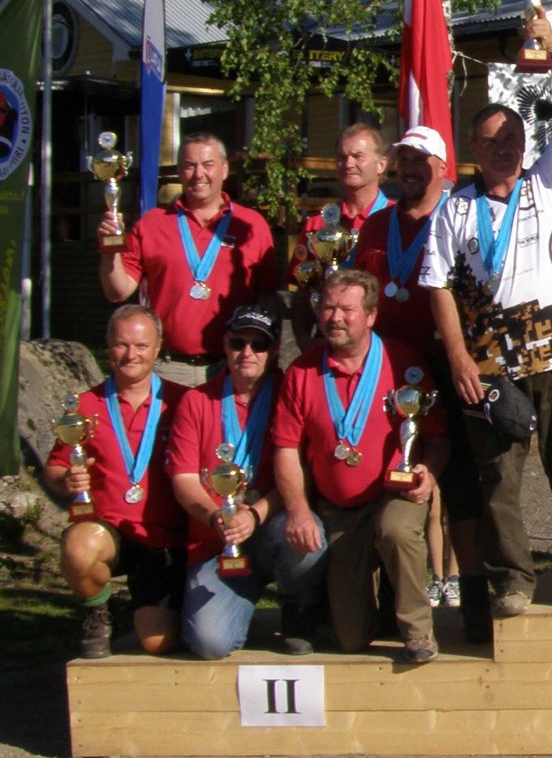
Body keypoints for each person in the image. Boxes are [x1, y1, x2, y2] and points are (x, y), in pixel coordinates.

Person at [424, 8, 552, 618]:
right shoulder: (454, 209)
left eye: (510, 140)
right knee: (500, 478)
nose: (502, 150)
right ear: (471, 149)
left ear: (525, 145)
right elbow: (439, 285)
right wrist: (457, 356)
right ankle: (513, 581)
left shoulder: (549, 181)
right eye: (488, 142)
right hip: (490, 361)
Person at [351, 125, 493, 640]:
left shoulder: (459, 217)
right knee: (388, 483)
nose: (409, 170)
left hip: (451, 370)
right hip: (387, 379)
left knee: (462, 490)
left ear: (442, 167)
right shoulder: (375, 226)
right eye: (403, 160)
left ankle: (476, 595)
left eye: (421, 161)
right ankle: (394, 597)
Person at [271, 269, 447, 662]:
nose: (334, 317)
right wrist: (298, 511)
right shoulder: (302, 371)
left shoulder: (405, 364)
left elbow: (436, 437)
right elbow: (285, 449)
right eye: (327, 307)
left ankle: (418, 632)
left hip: (393, 496)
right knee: (350, 639)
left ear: (370, 315)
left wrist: (428, 473)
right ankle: (369, 613)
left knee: (397, 531)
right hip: (338, 513)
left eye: (346, 310)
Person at [167, 305, 326, 658]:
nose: (247, 353)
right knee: (209, 643)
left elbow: (303, 472)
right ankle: (235, 603)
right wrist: (216, 516)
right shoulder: (197, 401)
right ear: (225, 345)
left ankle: (297, 606)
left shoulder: (290, 393)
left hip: (271, 526)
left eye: (259, 345)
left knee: (307, 533)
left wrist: (253, 514)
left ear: (273, 350)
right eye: (238, 343)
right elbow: (184, 480)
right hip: (217, 542)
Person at [43, 306, 188, 659]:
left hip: (164, 539)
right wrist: (67, 479)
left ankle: (153, 607)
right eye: (122, 345)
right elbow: (54, 468)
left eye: (141, 346)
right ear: (108, 346)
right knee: (79, 549)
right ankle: (97, 611)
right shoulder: (84, 406)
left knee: (158, 644)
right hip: (109, 531)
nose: (131, 355)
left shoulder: (183, 401)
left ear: (157, 348)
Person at [98, 132, 281, 385]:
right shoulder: (152, 224)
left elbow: (267, 295)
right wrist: (111, 252)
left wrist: (267, 354)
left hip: (231, 366)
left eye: (208, 165)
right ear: (179, 170)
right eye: (189, 165)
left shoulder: (251, 225)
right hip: (168, 366)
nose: (198, 174)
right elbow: (117, 291)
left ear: (225, 169)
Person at [289, 123, 391, 350]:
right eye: (342, 157)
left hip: (385, 346)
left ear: (381, 164)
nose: (349, 164)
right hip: (331, 345)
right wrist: (304, 341)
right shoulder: (317, 225)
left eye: (358, 156)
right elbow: (303, 291)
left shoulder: (397, 220)